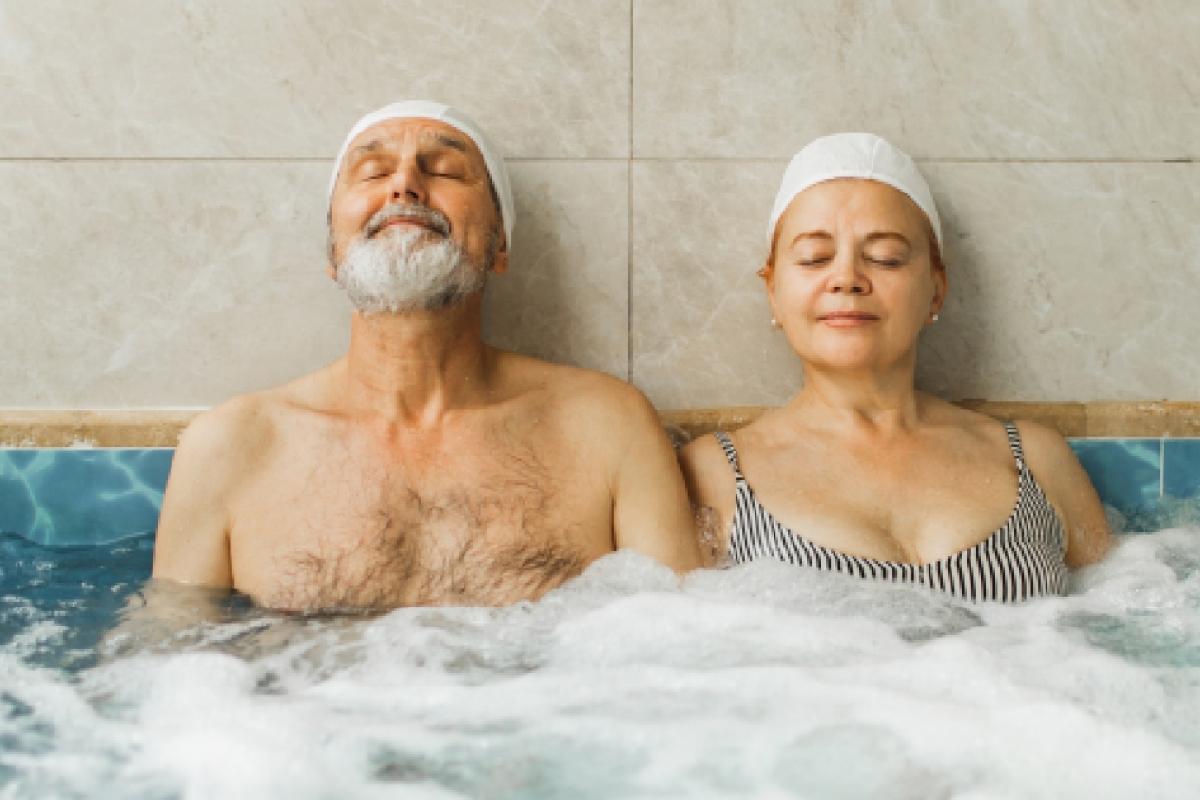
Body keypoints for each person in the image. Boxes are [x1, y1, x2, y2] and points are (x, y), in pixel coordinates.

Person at [151, 101, 700, 611]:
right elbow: (171, 674)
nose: (405, 186)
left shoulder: (607, 426)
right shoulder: (231, 447)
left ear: (500, 245)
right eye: (373, 171)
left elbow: (681, 657)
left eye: (443, 170)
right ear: (332, 253)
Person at [679, 133, 1110, 602]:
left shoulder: (1035, 459)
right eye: (814, 258)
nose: (846, 278)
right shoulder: (716, 474)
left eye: (884, 257)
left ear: (936, 290)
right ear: (774, 294)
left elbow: (1125, 622)